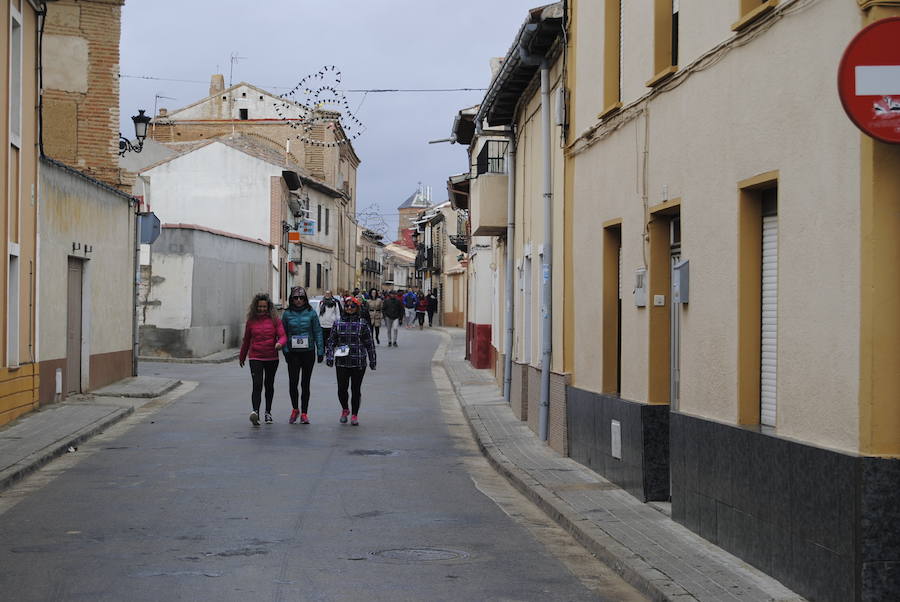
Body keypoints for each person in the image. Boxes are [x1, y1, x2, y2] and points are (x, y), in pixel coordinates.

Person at [325, 296, 376, 426]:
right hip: (342, 361)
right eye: (347, 306)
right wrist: (330, 356)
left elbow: (369, 343)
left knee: (355, 389)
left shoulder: (362, 324)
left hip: (358, 361)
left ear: (357, 308)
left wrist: (372, 360)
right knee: (342, 389)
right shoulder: (338, 323)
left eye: (352, 306)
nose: (349, 308)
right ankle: (345, 409)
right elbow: (331, 342)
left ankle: (354, 414)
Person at [239, 292, 286, 425]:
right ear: (256, 307)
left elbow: (283, 335)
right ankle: (255, 412)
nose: (262, 309)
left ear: (268, 307)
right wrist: (242, 356)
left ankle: (268, 413)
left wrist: (280, 343)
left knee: (269, 385)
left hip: (271, 357)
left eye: (264, 307)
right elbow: (246, 340)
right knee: (257, 384)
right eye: (259, 307)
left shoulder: (275, 320)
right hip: (255, 357)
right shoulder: (251, 321)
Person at [281, 286, 324, 424]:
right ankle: (295, 409)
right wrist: (285, 350)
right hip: (293, 353)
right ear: (291, 299)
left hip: (308, 352)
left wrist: (320, 350)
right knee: (293, 383)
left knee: (305, 384)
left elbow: (317, 332)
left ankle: (304, 412)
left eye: (301, 298)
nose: (298, 300)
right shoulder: (287, 314)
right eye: (295, 298)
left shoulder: (311, 313)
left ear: (305, 299)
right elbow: (283, 334)